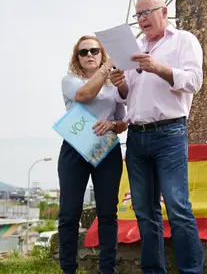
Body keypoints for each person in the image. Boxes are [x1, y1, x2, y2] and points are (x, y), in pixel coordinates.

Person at [108, 0, 204, 274]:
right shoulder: (134, 47)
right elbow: (129, 97)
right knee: (144, 212)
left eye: (147, 12)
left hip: (169, 134)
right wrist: (120, 84)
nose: (142, 19)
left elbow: (194, 81)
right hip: (136, 136)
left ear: (164, 12)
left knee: (177, 207)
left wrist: (158, 67)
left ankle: (191, 271)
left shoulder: (183, 40)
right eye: (138, 15)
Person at [58, 35, 127, 274]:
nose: (89, 55)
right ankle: (68, 269)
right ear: (76, 57)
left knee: (108, 211)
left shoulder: (113, 86)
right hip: (75, 148)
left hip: (106, 149)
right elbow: (85, 95)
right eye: (83, 52)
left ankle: (107, 268)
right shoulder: (70, 80)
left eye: (95, 51)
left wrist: (113, 125)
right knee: (69, 212)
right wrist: (108, 67)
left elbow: (123, 121)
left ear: (101, 54)